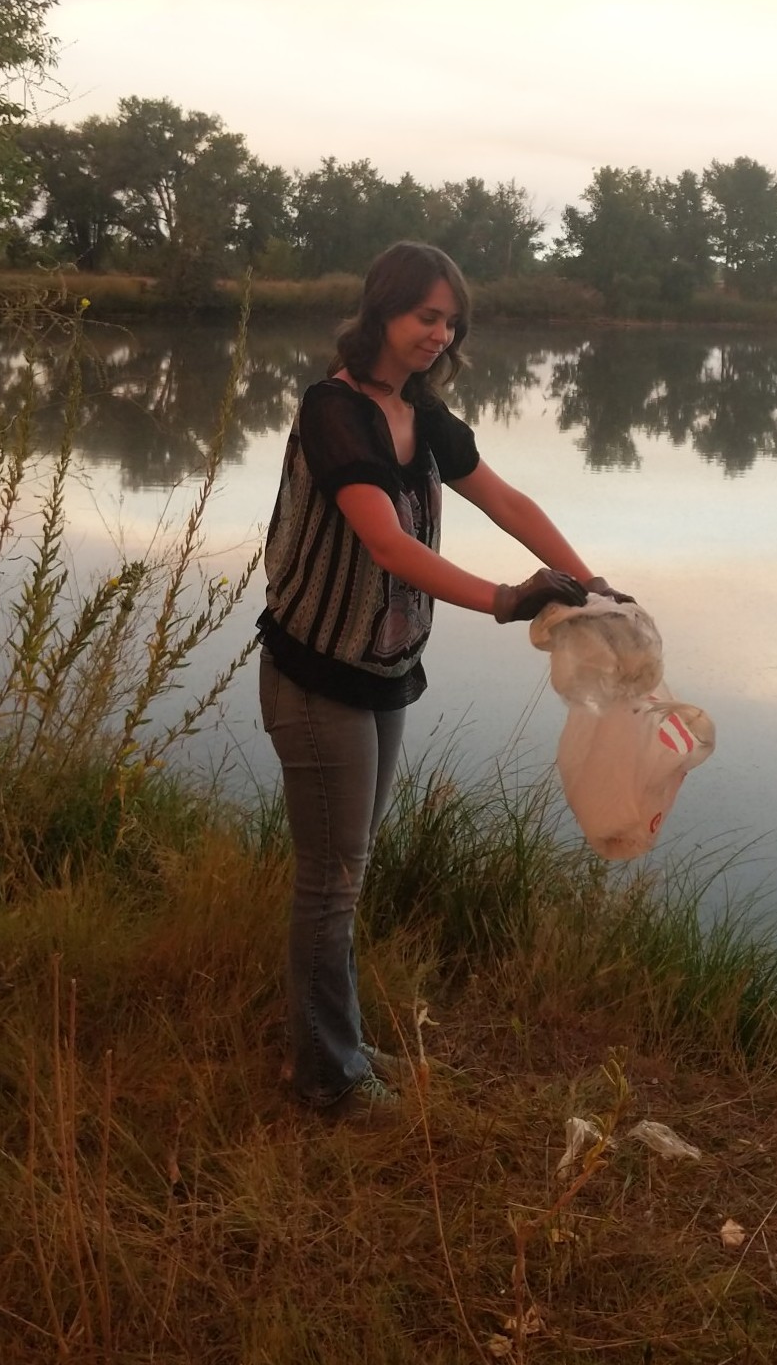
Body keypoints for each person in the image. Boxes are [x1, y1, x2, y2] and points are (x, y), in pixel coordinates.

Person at [256, 241, 629, 1121]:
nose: (439, 332)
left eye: (450, 320)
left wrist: (591, 585)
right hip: (316, 676)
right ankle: (326, 1078)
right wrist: (507, 599)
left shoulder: (421, 412)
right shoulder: (333, 410)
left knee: (348, 870)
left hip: (381, 672)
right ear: (382, 310)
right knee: (330, 880)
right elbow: (386, 543)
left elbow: (507, 502)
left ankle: (332, 1044)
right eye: (425, 314)